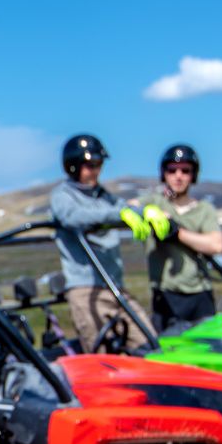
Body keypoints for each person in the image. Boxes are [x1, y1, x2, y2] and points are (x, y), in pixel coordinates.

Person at [50, 133, 155, 352]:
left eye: (98, 165)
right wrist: (118, 216)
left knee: (148, 343)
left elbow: (123, 208)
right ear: (73, 166)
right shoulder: (62, 196)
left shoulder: (104, 196)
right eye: (90, 165)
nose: (95, 171)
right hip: (86, 291)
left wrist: (146, 213)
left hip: (115, 287)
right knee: (102, 356)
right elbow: (73, 217)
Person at [139, 144, 222, 332]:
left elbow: (216, 245)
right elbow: (126, 208)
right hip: (165, 295)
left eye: (185, 170)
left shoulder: (204, 209)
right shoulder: (154, 201)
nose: (178, 176)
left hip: (200, 294)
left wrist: (178, 233)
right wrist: (146, 212)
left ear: (193, 175)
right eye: (172, 170)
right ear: (164, 173)